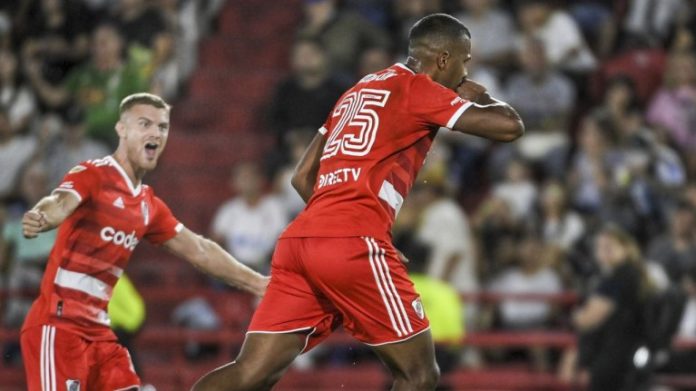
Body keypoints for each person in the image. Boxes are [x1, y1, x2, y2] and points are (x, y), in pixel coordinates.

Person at [192, 13, 524, 391]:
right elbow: (510, 127)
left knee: (249, 373)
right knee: (419, 374)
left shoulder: (360, 88)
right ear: (444, 59)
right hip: (351, 243)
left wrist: (339, 227)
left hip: (299, 242)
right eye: (464, 62)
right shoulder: (420, 89)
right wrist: (481, 97)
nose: (465, 72)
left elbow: (301, 175)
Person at [19, 93, 268, 391]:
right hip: (58, 328)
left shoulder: (148, 205)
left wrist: (258, 284)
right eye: (145, 124)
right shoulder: (93, 173)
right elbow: (60, 201)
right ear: (121, 129)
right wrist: (42, 215)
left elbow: (200, 250)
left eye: (162, 127)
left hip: (100, 334)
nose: (155, 133)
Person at [573, 225, 654, 391]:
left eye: (609, 246)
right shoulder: (634, 273)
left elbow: (587, 319)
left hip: (615, 356)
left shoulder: (620, 277)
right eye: (600, 246)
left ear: (626, 248)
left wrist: (577, 315)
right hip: (629, 353)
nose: (604, 250)